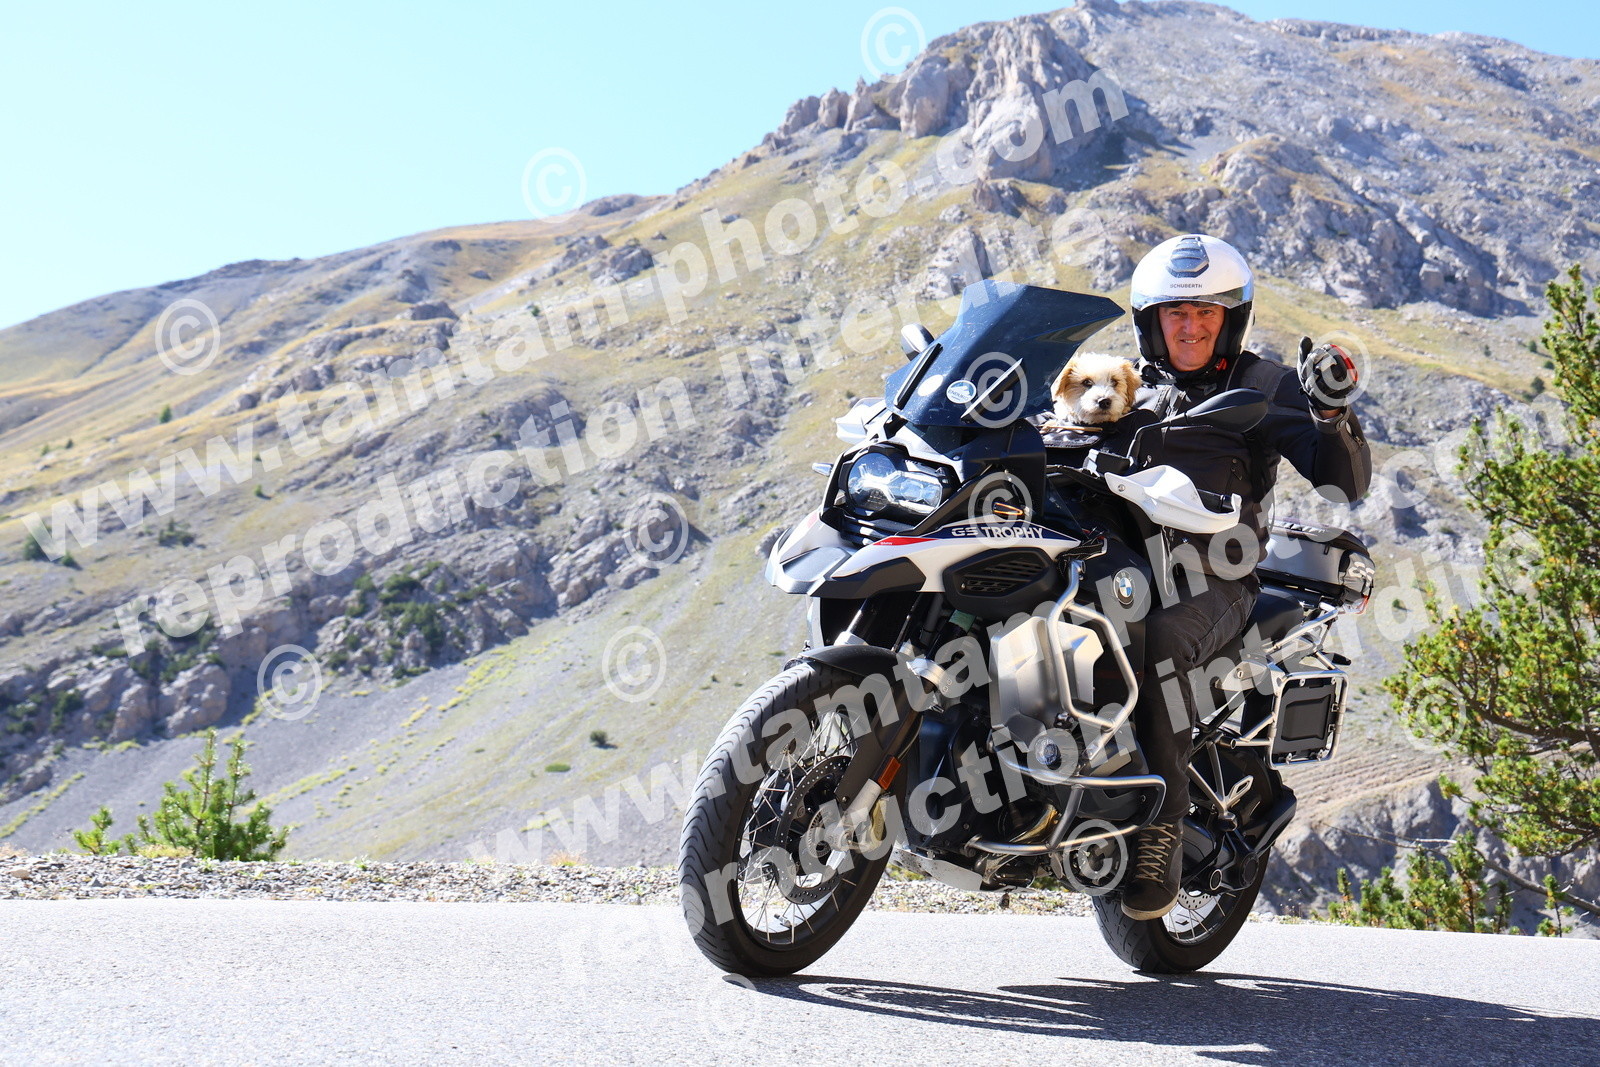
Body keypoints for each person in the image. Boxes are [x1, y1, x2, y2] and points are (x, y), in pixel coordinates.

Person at [1116, 233, 1372, 920]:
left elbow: (1340, 482)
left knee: (1159, 644)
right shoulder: (1123, 385)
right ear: (1150, 321)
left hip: (1213, 582)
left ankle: (1159, 832)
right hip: (1120, 564)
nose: (1191, 327)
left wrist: (1329, 413)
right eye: (1176, 313)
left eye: (1206, 313)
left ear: (1231, 319)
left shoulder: (1264, 386)